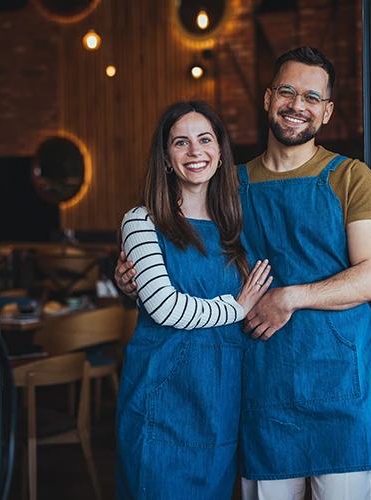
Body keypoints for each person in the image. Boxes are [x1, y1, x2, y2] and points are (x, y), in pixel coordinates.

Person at [115, 46, 371, 500]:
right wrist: (128, 276)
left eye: (312, 97)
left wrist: (290, 297)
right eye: (287, 91)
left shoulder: (351, 177)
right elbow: (183, 252)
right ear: (267, 99)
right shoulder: (229, 188)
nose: (297, 105)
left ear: (327, 110)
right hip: (262, 389)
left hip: (339, 387)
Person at [115, 100, 273, 500]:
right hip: (162, 405)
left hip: (219, 405)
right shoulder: (142, 220)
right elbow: (164, 307)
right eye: (180, 143)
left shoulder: (235, 228)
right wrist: (236, 307)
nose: (194, 151)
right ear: (167, 158)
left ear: (220, 153)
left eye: (205, 140)